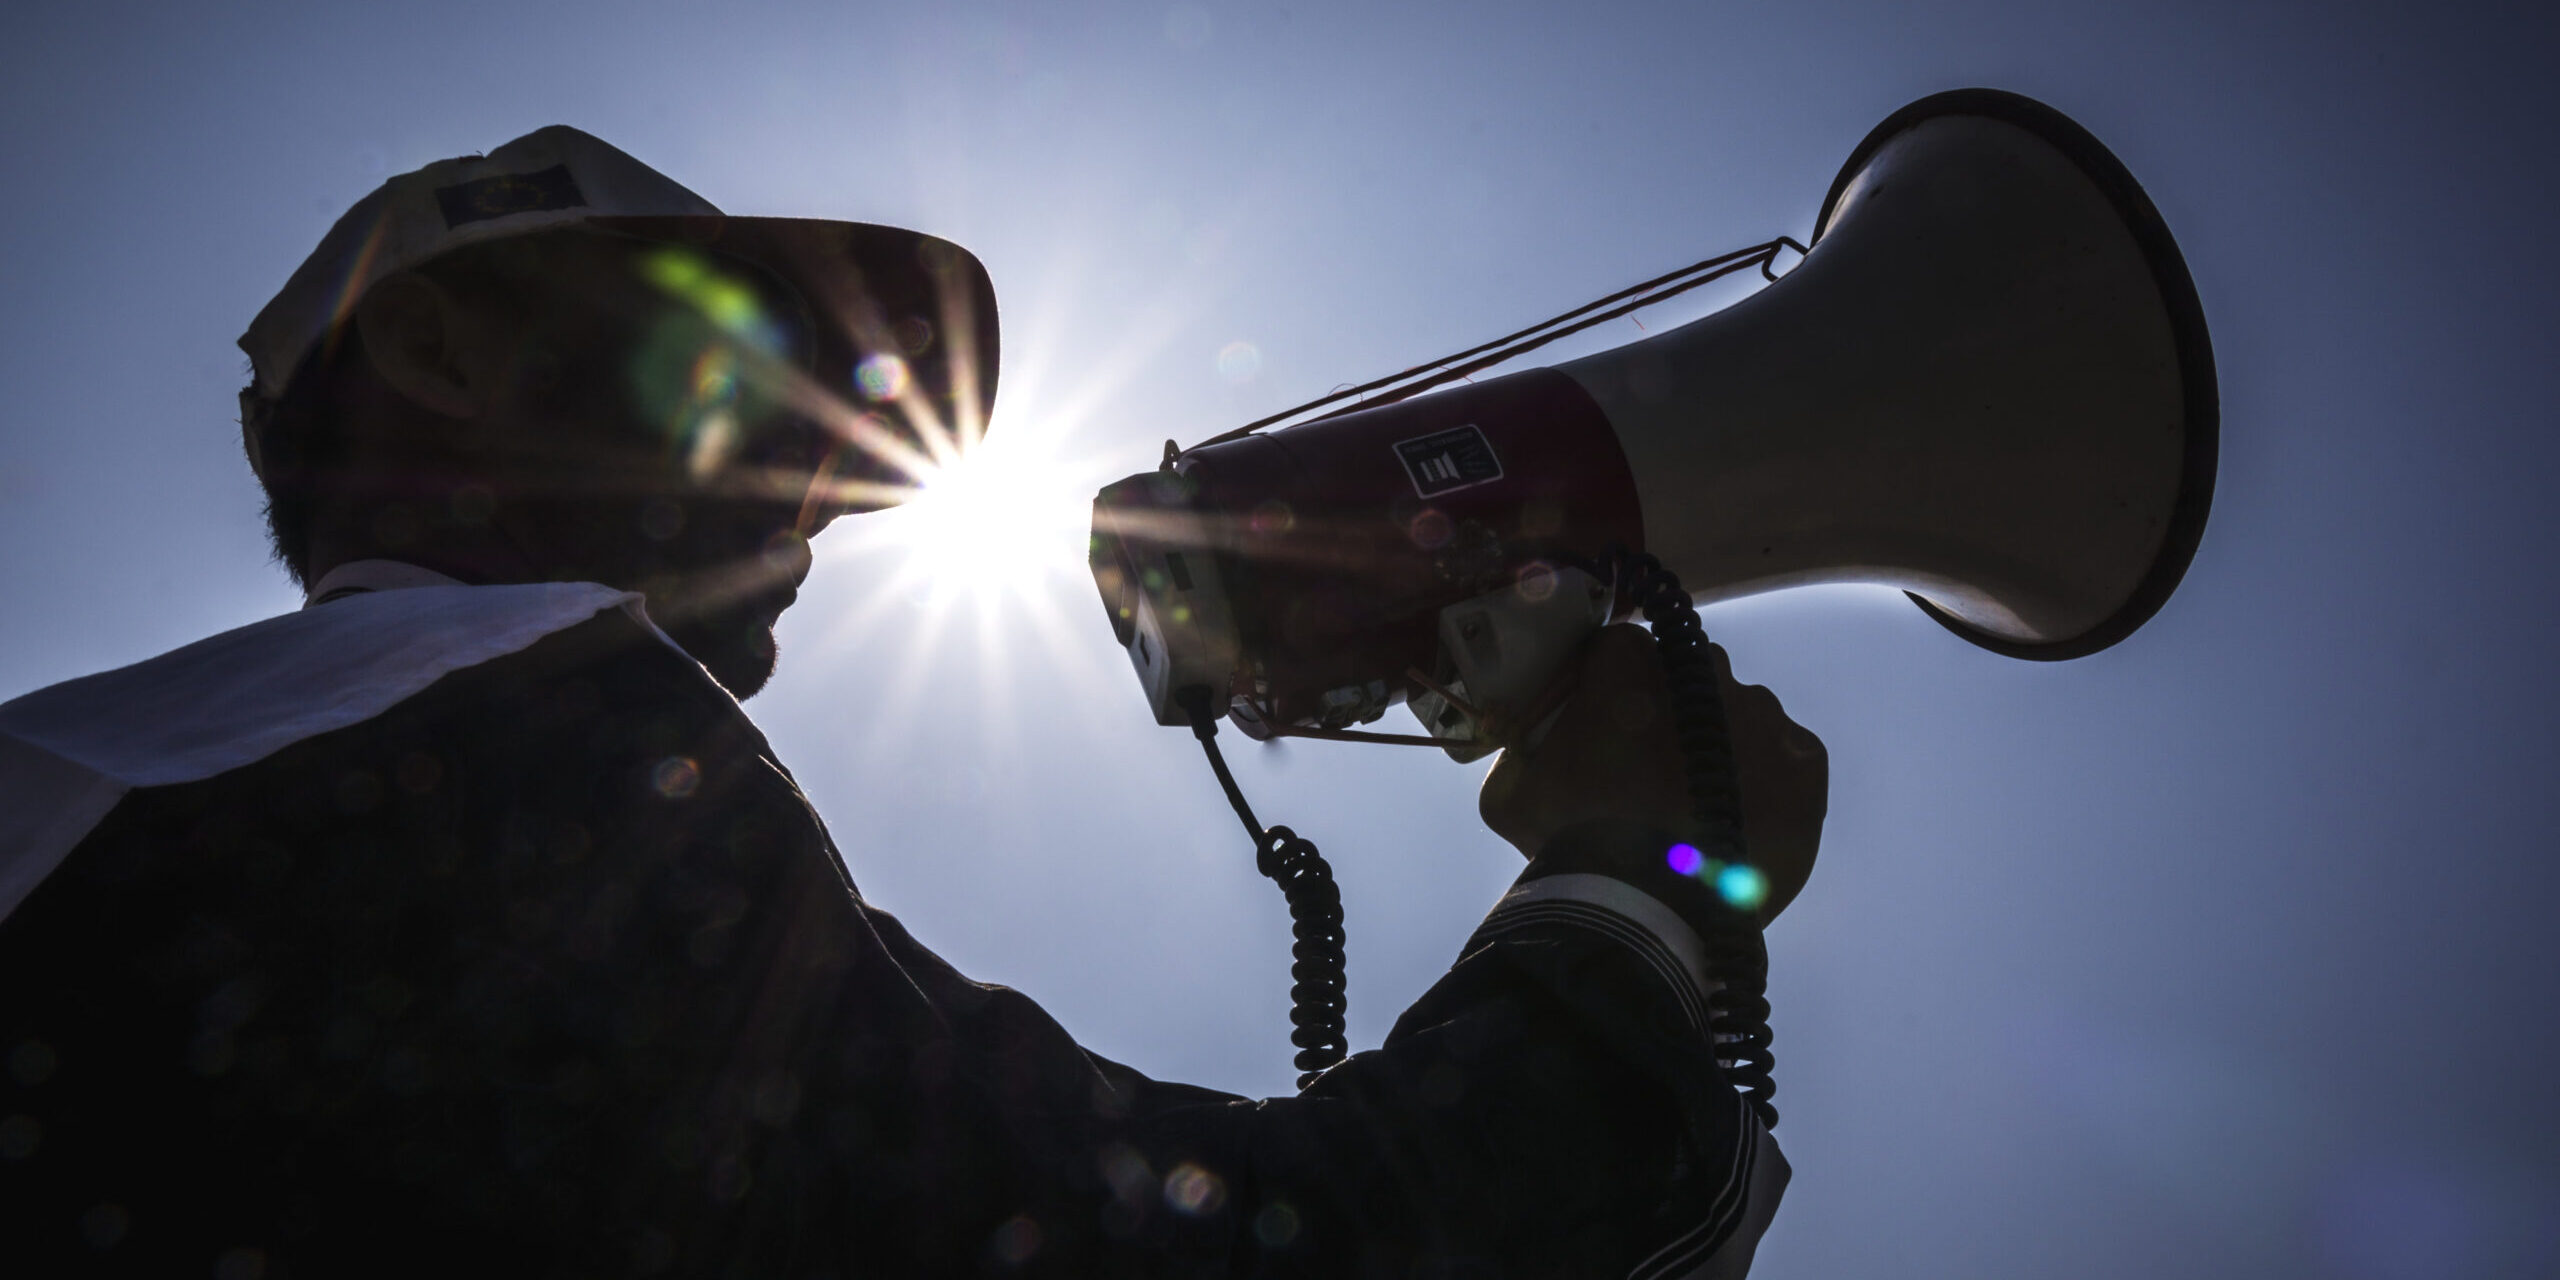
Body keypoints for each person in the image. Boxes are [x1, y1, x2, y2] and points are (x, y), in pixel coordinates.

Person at [0, 127, 1827, 1277]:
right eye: (753, 368)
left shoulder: (171, 770)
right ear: (441, 345)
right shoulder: (492, 727)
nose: (828, 493)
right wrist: (1634, 886)